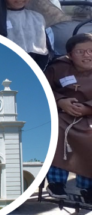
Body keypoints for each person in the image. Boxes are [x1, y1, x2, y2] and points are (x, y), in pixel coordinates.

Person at [44, 33, 92, 203]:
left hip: (89, 118)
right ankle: (56, 183)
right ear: (70, 55)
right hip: (62, 115)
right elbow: (43, 88)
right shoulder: (58, 68)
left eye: (91, 51)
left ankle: (88, 187)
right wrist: (60, 101)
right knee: (53, 130)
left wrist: (87, 108)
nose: (87, 55)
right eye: (80, 52)